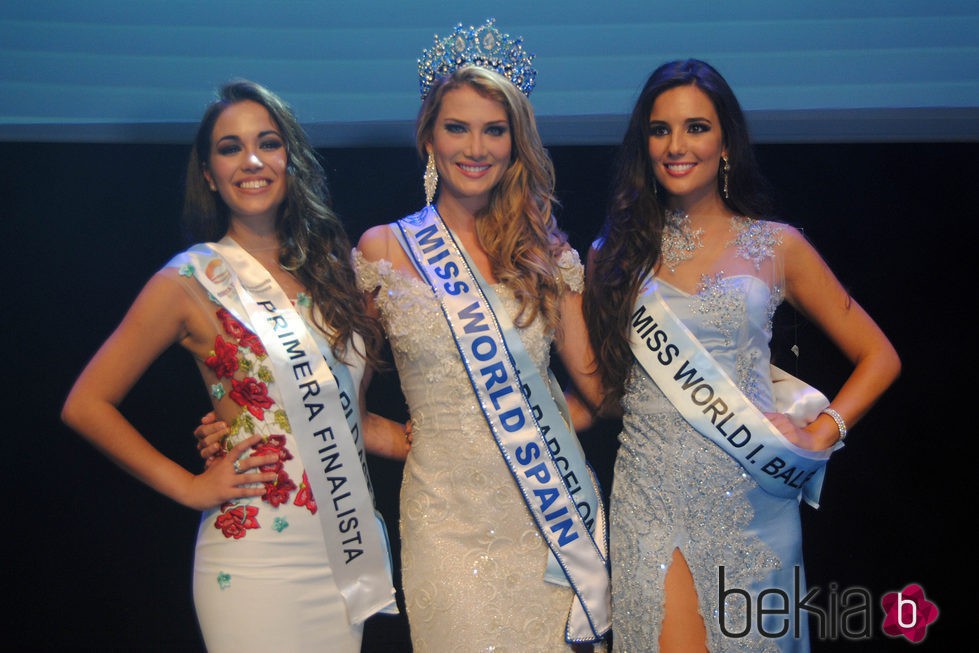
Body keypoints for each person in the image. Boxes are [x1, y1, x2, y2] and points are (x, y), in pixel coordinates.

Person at [61, 80, 407, 652]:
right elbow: (86, 404)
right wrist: (191, 486)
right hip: (253, 561)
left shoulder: (334, 274)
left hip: (343, 551)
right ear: (207, 172)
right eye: (230, 148)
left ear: (289, 158)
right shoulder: (190, 280)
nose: (251, 160)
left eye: (267, 143)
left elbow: (352, 417)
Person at [584, 59, 901, 652]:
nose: (677, 146)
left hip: (753, 498)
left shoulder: (776, 244)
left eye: (696, 128)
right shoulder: (612, 254)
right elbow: (605, 392)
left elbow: (879, 356)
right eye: (660, 130)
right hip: (649, 502)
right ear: (643, 145)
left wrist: (823, 430)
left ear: (726, 140)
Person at [354, 19, 610, 651]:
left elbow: (599, 392)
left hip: (548, 517)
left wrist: (534, 424)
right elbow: (335, 395)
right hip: (445, 522)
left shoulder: (546, 254)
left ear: (516, 142)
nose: (476, 147)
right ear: (429, 139)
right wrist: (400, 439)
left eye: (495, 129)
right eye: (457, 127)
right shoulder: (385, 248)